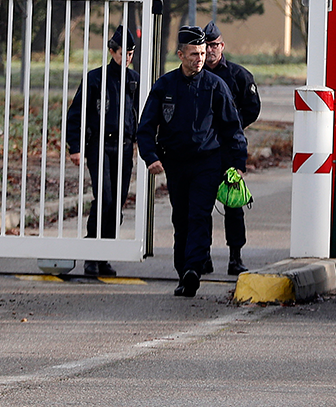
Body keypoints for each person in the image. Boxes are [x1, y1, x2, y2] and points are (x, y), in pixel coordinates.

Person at [137, 25, 247, 297]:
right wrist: (151, 157)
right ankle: (183, 269)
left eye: (202, 52)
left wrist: (238, 162)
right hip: (175, 163)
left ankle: (193, 270)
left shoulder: (215, 86)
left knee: (199, 215)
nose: (200, 58)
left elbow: (232, 128)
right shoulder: (165, 86)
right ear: (180, 54)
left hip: (207, 163)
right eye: (194, 53)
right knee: (181, 218)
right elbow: (146, 127)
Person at [66, 25, 140, 277]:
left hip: (125, 146)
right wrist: (75, 147)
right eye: (123, 53)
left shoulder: (134, 80)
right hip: (100, 145)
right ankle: (92, 254)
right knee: (105, 199)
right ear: (112, 51)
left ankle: (105, 255)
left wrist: (141, 141)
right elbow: (77, 114)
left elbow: (141, 113)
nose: (127, 58)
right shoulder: (96, 78)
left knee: (117, 203)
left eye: (131, 53)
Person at [203, 20, 261, 275]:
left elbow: (252, 108)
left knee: (233, 206)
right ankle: (202, 255)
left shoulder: (239, 75)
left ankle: (235, 257)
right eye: (206, 45)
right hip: (203, 151)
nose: (210, 50)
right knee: (201, 206)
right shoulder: (194, 74)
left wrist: (233, 127)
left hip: (228, 150)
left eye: (214, 45)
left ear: (222, 46)